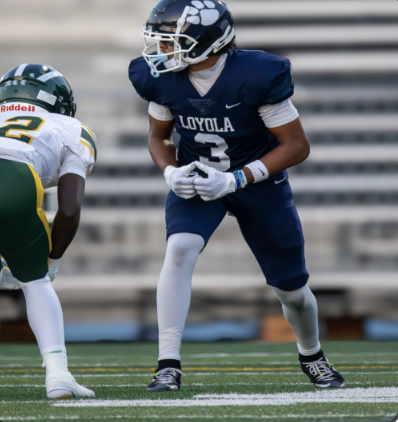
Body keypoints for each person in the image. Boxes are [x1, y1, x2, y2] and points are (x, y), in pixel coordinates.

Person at [129, 0, 346, 391]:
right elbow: (158, 137)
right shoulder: (160, 77)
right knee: (179, 249)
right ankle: (167, 363)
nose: (161, 51)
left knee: (291, 291)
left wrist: (236, 179)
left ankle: (312, 354)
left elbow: (296, 146)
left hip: (257, 182)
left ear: (207, 41)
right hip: (197, 177)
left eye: (170, 41)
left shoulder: (256, 73)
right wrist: (171, 170)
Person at [0, 63, 97, 399]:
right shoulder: (68, 127)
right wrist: (52, 260)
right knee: (35, 281)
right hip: (11, 176)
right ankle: (58, 376)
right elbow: (69, 209)